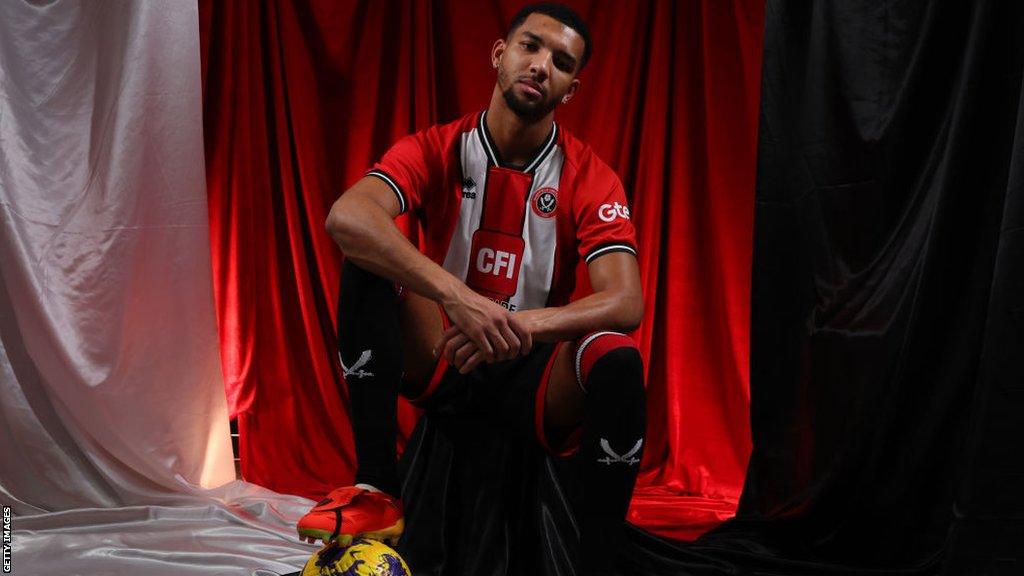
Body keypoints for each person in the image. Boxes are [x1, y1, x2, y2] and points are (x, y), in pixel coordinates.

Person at [298, 4, 647, 573]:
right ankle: (376, 490)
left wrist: (517, 324)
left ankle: (601, 558)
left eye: (561, 62)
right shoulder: (439, 145)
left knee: (617, 359)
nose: (540, 66)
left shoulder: (588, 173)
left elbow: (625, 301)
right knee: (365, 260)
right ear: (499, 54)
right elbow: (347, 217)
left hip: (532, 372)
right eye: (530, 47)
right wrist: (459, 300)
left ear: (572, 88)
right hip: (446, 353)